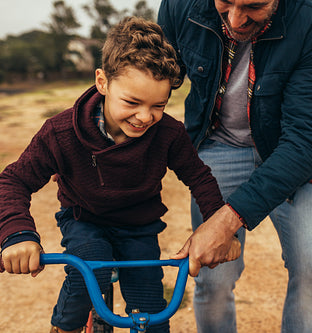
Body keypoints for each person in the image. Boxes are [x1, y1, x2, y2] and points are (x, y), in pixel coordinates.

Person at [0, 17, 240, 333]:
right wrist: (17, 234)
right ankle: (65, 327)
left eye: (159, 105)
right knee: (90, 270)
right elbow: (14, 180)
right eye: (132, 102)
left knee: (152, 312)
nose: (145, 117)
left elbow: (199, 177)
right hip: (84, 218)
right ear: (103, 82)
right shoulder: (60, 133)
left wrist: (220, 230)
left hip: (139, 226)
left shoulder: (168, 133)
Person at [158, 0, 312, 331]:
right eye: (226, 2)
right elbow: (142, 73)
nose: (235, 19)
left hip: (289, 155)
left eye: (253, 6)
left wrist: (227, 221)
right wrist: (90, 128)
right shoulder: (178, 4)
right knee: (212, 279)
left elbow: (305, 141)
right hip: (218, 145)